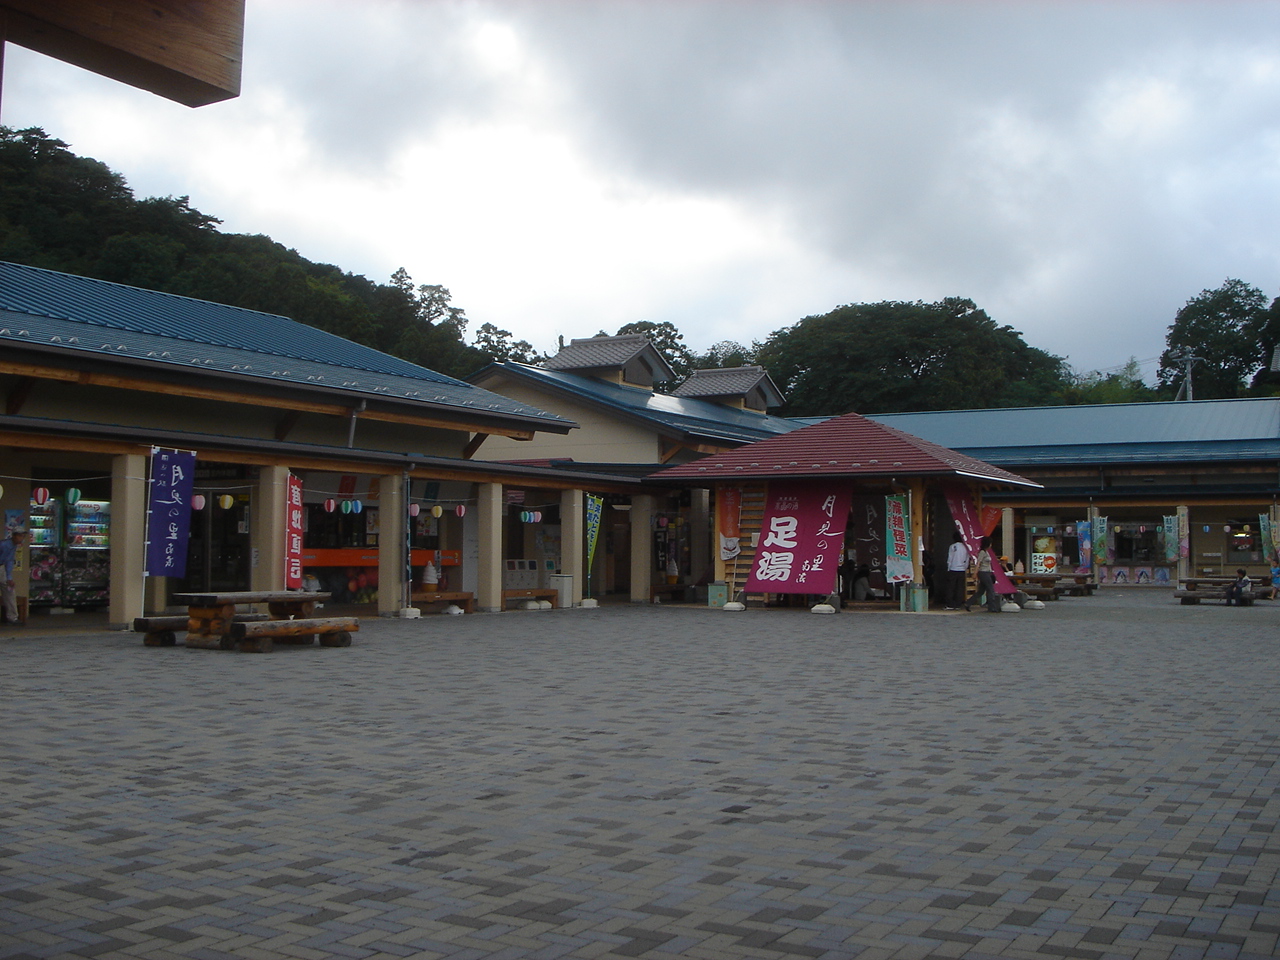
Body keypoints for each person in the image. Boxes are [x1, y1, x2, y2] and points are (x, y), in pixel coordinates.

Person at [965, 535, 1001, 612]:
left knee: (981, 591)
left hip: (987, 572)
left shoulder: (986, 552)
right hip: (984, 572)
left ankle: (968, 603)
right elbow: (978, 563)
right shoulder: (982, 552)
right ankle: (992, 607)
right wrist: (975, 573)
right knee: (990, 590)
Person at [1, 527, 27, 626]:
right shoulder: (3, 545)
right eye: (20, 536)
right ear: (14, 536)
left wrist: (9, 578)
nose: (22, 538)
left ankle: (12, 617)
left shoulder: (14, 546)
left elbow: (9, 561)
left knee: (9, 591)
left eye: (23, 536)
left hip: (1, 568)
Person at [944, 530, 970, 610]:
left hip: (953, 569)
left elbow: (950, 558)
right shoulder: (966, 547)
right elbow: (967, 559)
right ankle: (958, 604)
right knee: (960, 587)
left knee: (951, 587)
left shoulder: (953, 546)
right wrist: (965, 567)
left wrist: (948, 568)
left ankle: (950, 604)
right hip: (962, 569)